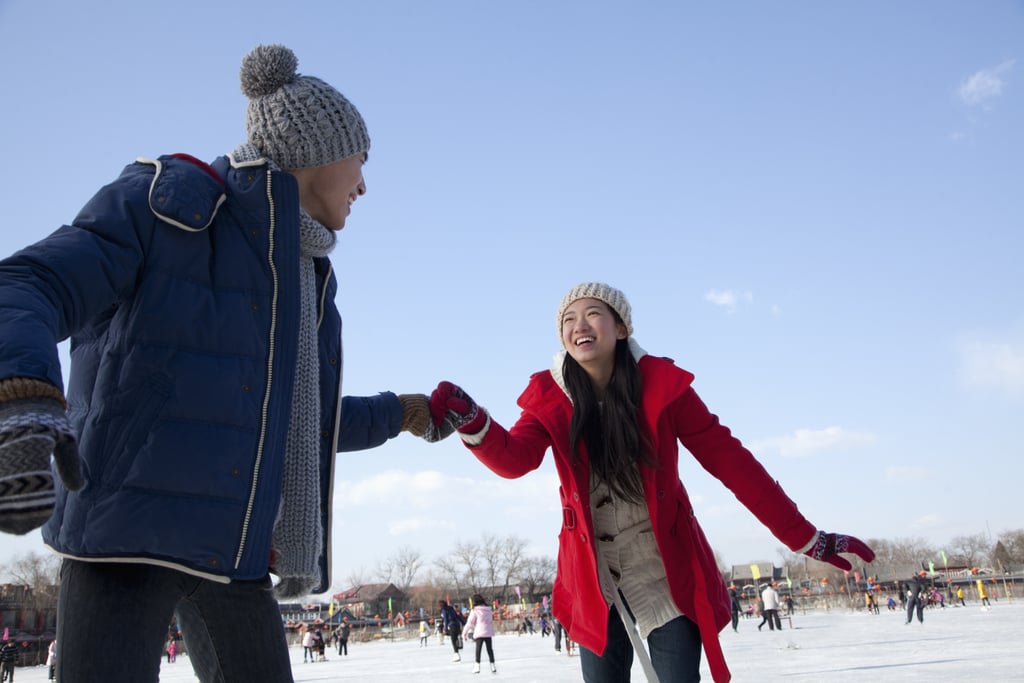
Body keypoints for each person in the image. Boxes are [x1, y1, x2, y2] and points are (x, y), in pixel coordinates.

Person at [0, 44, 453, 683]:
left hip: (237, 556)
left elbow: (297, 423)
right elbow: (27, 284)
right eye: (362, 158)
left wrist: (408, 412)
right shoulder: (169, 206)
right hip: (124, 540)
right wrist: (23, 388)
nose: (364, 183)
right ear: (319, 150)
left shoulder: (306, 284)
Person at [429, 282, 875, 683]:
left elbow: (733, 463)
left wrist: (804, 536)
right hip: (593, 577)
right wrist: (473, 422)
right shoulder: (552, 396)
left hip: (663, 571)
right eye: (568, 319)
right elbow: (514, 458)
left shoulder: (664, 387)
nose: (579, 325)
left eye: (592, 314)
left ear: (621, 328)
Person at [463, 593, 497, 674]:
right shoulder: (488, 609)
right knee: (490, 649)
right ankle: (493, 666)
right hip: (488, 631)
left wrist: (464, 632)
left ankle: (477, 667)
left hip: (479, 632)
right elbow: (490, 620)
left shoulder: (475, 610)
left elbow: (470, 622)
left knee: (478, 649)